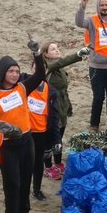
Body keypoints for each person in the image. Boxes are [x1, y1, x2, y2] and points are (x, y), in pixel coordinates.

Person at [0, 42, 46, 213]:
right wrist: (2, 127)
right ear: (2, 73)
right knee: (13, 184)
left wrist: (36, 54)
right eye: (11, 71)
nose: (15, 75)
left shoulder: (22, 88)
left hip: (27, 140)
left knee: (26, 179)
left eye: (17, 71)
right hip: (8, 145)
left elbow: (40, 74)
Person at [36, 41, 90, 179]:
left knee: (59, 138)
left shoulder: (60, 68)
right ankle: (48, 167)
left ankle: (58, 163)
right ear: (45, 54)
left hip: (62, 107)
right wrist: (78, 55)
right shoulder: (45, 67)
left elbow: (64, 90)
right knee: (50, 140)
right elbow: (60, 63)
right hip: (51, 109)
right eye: (53, 49)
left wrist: (68, 107)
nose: (57, 50)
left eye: (57, 48)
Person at [74, 0, 107, 132]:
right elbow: (79, 22)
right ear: (98, 6)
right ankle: (94, 125)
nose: (104, 7)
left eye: (106, 5)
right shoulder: (91, 21)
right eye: (102, 5)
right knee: (98, 97)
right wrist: (82, 6)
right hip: (96, 67)